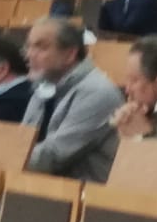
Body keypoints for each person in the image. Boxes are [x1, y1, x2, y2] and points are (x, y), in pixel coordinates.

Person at [21, 17, 123, 182]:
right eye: (29, 46)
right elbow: (22, 141)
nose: (29, 55)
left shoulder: (97, 92)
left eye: (41, 47)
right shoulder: (44, 86)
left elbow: (53, 155)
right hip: (39, 186)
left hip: (84, 194)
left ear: (69, 55)